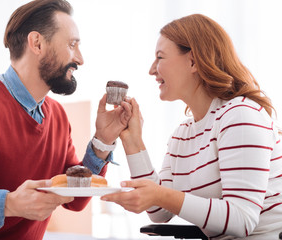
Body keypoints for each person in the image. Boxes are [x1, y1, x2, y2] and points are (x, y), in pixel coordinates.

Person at [0, 0, 131, 239]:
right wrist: (8, 204)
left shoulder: (58, 117)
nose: (80, 59)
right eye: (72, 44)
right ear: (37, 43)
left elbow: (74, 200)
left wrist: (103, 141)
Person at [102, 14, 282, 239]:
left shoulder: (241, 116)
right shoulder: (183, 135)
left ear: (194, 61)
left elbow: (242, 219)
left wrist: (160, 195)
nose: (151, 70)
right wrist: (133, 141)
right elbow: (159, 212)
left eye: (160, 57)